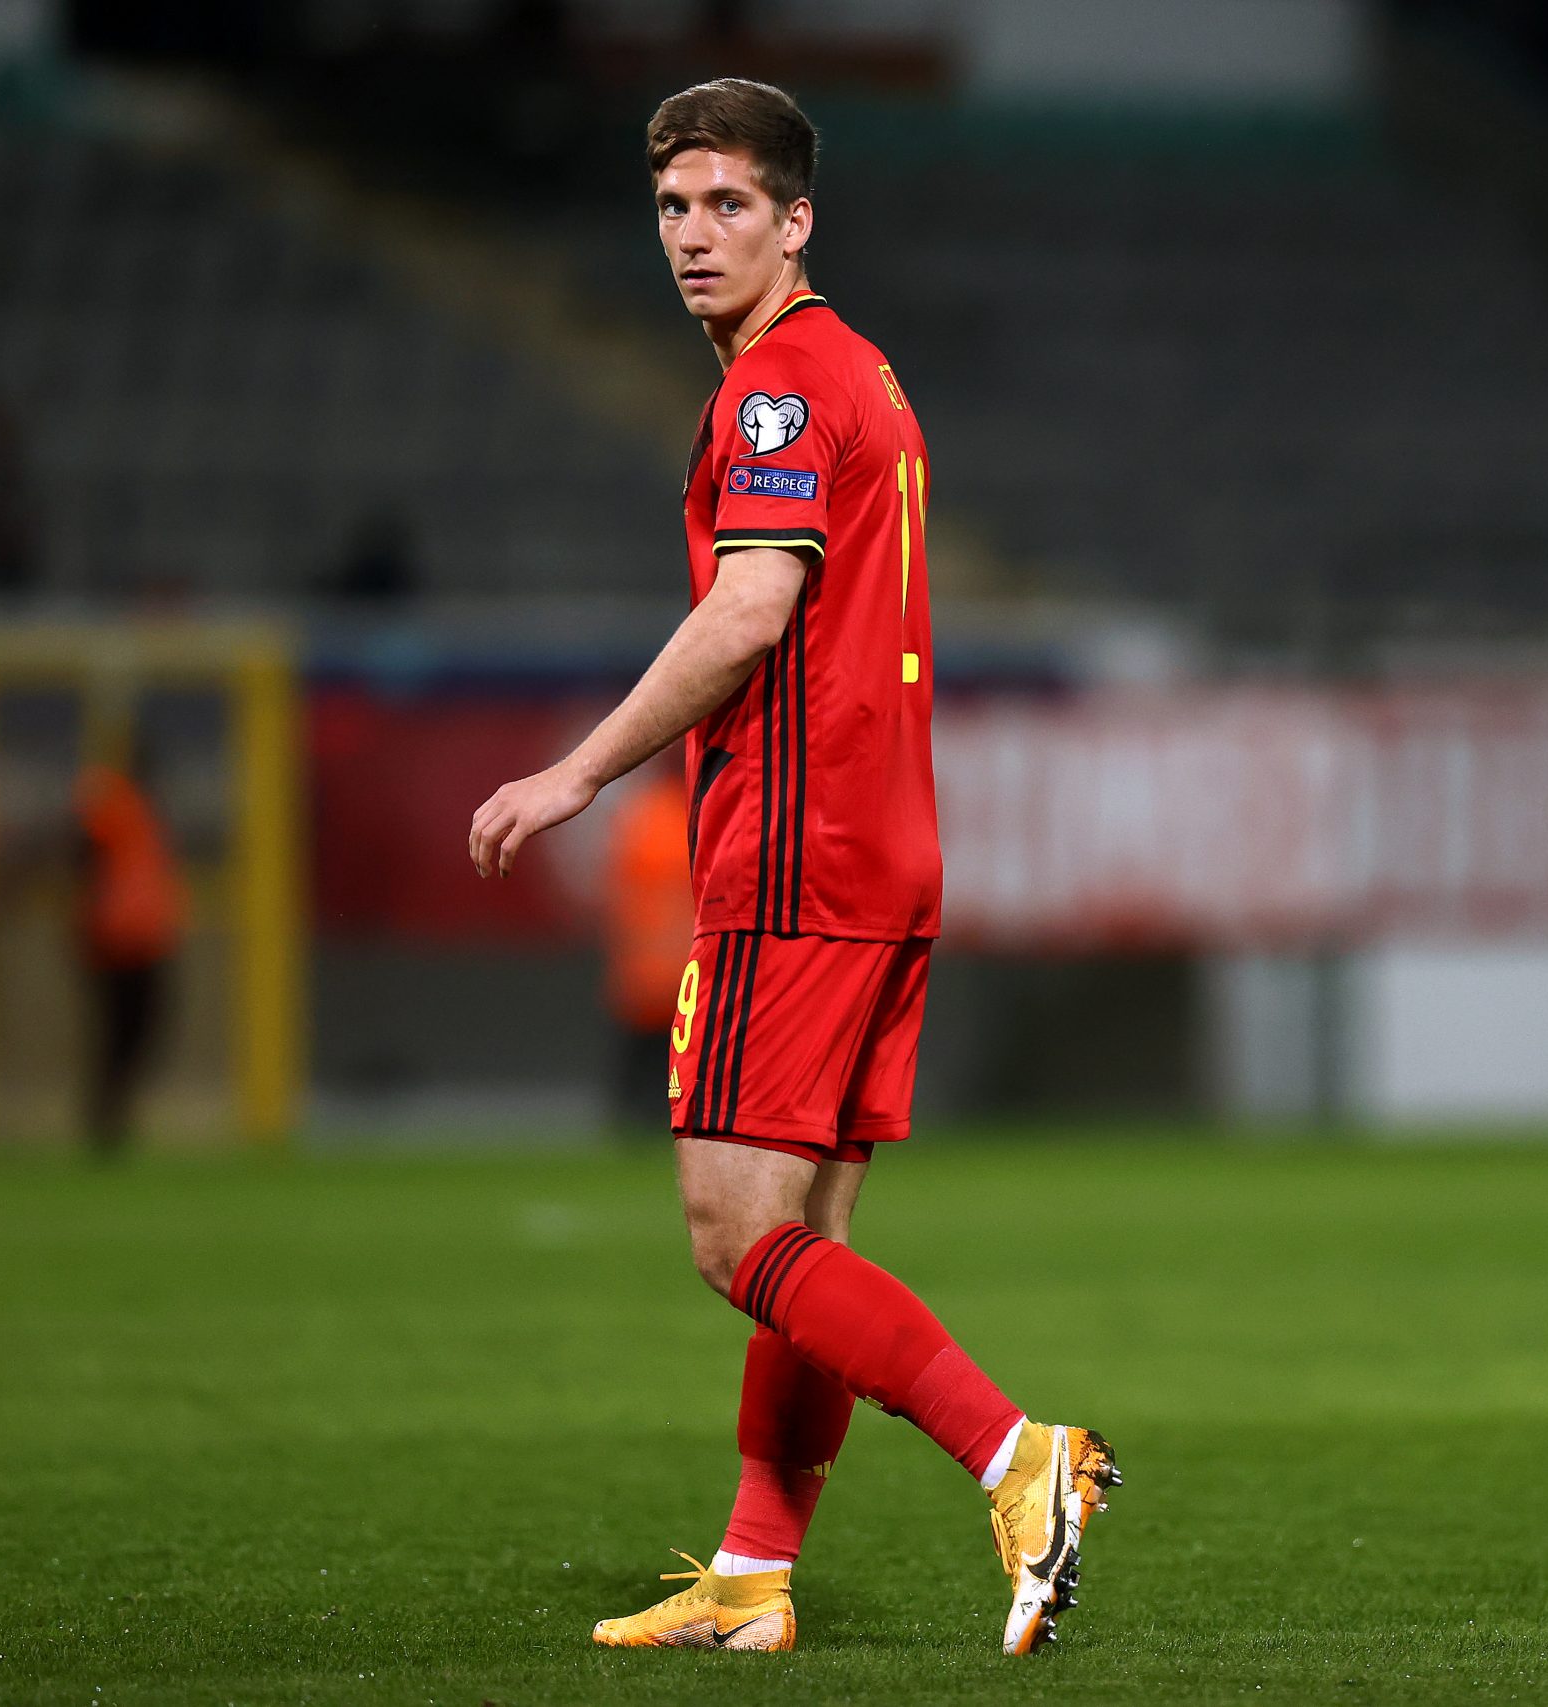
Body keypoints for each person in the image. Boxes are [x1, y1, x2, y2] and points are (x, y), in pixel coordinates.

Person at [466, 79, 1114, 1657]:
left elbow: (752, 608)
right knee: (809, 1235)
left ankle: (1016, 1452)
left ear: (797, 219)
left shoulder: (776, 390)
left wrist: (576, 769)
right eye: (674, 207)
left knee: (734, 1232)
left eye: (730, 205)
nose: (694, 235)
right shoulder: (860, 371)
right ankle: (755, 1574)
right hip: (884, 849)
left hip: (795, 855)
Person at [75, 755, 186, 1155]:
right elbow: (83, 854)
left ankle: (111, 1115)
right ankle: (106, 1118)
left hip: (143, 938)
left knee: (133, 1031)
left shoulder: (144, 812)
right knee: (123, 1031)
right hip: (117, 938)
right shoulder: (116, 803)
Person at [600, 766, 694, 1133]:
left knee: (653, 1043)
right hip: (664, 955)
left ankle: (636, 1110)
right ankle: (643, 1110)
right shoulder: (665, 814)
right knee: (661, 1042)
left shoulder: (643, 814)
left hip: (652, 954)